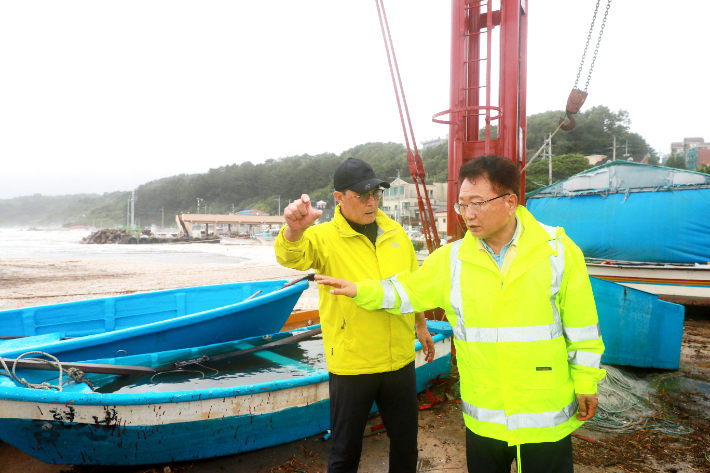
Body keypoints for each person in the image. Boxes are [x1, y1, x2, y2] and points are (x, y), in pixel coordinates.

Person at [316, 155, 606, 473]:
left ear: (511, 202)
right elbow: (404, 292)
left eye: (477, 203)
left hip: (544, 419)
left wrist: (586, 382)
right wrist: (360, 289)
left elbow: (583, 328)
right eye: (462, 205)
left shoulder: (558, 251)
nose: (468, 214)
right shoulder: (451, 260)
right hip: (484, 421)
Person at [274, 157, 435, 473]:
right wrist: (293, 231)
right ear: (339, 198)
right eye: (362, 195)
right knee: (346, 451)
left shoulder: (396, 233)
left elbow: (411, 286)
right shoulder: (322, 237)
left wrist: (421, 325)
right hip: (352, 365)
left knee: (406, 445)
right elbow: (291, 255)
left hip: (399, 360)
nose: (371, 201)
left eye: (375, 193)